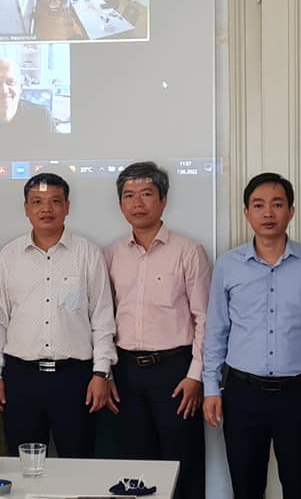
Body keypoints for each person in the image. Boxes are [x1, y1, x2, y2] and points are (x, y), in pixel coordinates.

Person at [203, 173, 301, 499]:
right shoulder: (228, 265)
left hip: (298, 394)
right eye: (258, 205)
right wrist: (211, 387)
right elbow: (217, 331)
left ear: (291, 211)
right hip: (242, 394)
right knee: (246, 488)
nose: (268, 213)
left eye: (277, 205)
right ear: (246, 213)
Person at [0, 173, 116, 457]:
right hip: (21, 378)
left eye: (55, 201)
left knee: (78, 461)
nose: (46, 209)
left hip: (75, 379)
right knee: (25, 465)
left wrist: (101, 373)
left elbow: (102, 318)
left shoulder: (88, 254)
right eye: (37, 202)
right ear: (26, 208)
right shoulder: (9, 256)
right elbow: (0, 320)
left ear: (67, 206)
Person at [104, 162, 209, 499]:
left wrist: (195, 376)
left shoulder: (188, 251)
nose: (138, 203)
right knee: (136, 468)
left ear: (163, 200)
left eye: (147, 194)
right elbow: (104, 318)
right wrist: (106, 373)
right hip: (126, 373)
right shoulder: (112, 254)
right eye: (129, 196)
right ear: (120, 204)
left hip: (175, 373)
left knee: (183, 463)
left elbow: (204, 319)